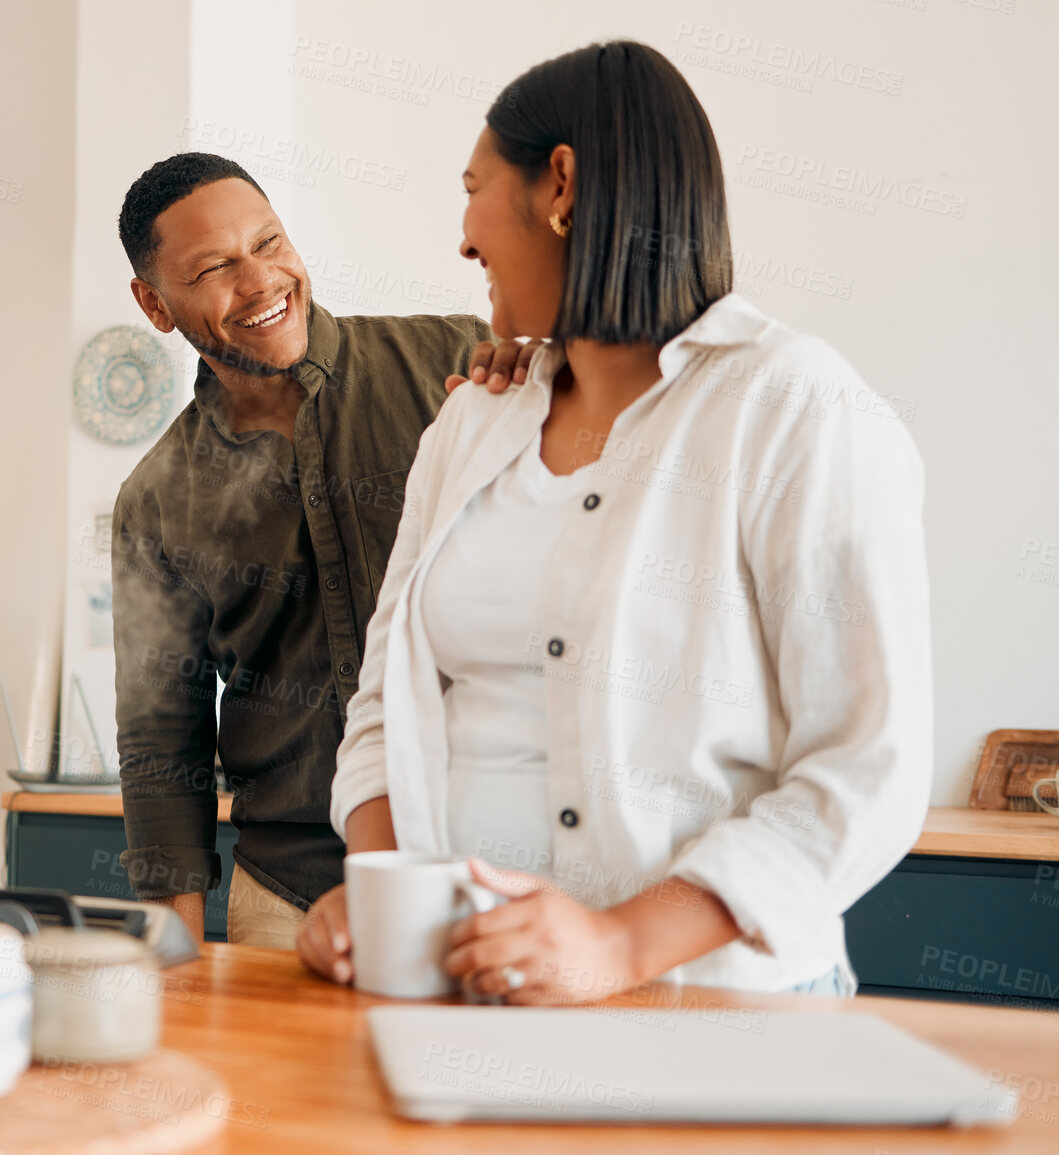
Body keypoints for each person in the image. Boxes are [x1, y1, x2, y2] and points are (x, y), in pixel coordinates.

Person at [296, 41, 931, 1002]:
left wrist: (617, 945)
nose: (462, 240)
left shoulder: (794, 407)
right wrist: (381, 891)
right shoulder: (470, 421)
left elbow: (865, 767)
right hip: (467, 989)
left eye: (471, 189)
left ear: (560, 184)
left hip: (718, 1004)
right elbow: (385, 704)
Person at [110, 153, 533, 947]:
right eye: (213, 268)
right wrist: (177, 963)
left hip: (491, 870)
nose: (261, 280)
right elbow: (162, 738)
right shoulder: (156, 498)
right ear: (154, 304)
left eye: (268, 243)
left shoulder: (459, 365)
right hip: (290, 894)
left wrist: (542, 385)